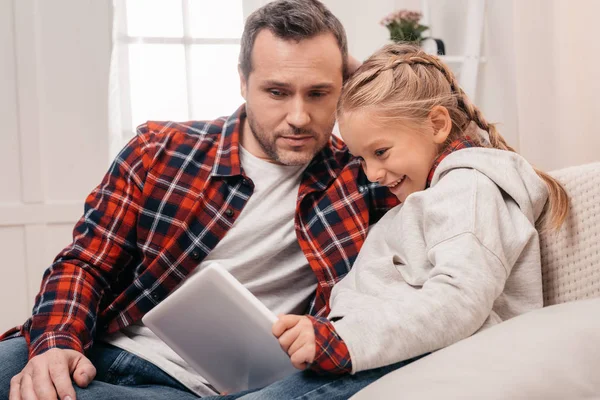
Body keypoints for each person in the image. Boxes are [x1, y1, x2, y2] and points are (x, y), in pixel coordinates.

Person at [0, 1, 402, 400]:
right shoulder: (159, 149)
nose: (298, 116)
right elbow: (85, 263)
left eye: (318, 93)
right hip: (98, 344)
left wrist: (372, 78)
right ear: (243, 83)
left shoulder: (364, 176)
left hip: (191, 387)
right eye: (277, 92)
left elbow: (456, 154)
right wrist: (56, 343)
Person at [250, 42, 570, 393]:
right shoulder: (424, 197)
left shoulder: (470, 187)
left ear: (436, 124)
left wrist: (341, 342)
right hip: (375, 358)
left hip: (419, 363)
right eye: (361, 159)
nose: (371, 173)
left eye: (381, 152)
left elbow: (460, 299)